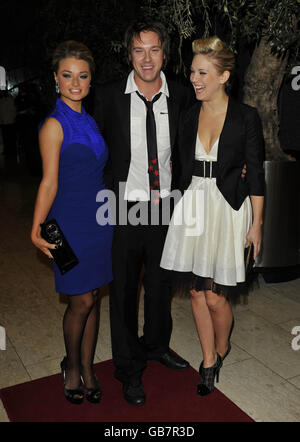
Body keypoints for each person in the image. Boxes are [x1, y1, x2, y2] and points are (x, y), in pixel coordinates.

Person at [160, 36, 265, 396]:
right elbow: (179, 167)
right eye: (192, 72)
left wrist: (257, 224)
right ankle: (207, 360)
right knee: (195, 292)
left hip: (228, 207)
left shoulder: (246, 117)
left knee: (216, 296)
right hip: (193, 204)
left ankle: (222, 348)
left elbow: (257, 174)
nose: (195, 78)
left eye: (203, 72)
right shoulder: (189, 115)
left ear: (224, 76)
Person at [94, 21, 190, 406]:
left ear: (165, 53)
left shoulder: (181, 94)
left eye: (153, 50)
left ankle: (156, 346)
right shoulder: (108, 97)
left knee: (161, 286)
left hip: (166, 204)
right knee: (123, 291)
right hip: (124, 207)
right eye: (138, 50)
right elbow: (95, 150)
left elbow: (195, 142)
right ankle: (128, 368)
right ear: (129, 54)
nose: (146, 58)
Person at [31, 41, 113, 404]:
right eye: (67, 75)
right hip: (67, 223)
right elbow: (49, 181)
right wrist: (36, 226)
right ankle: (73, 368)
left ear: (90, 80)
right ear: (55, 79)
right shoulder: (53, 125)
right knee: (80, 299)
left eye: (82, 76)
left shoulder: (90, 120)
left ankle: (89, 368)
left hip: (98, 221)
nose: (75, 82)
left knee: (94, 296)